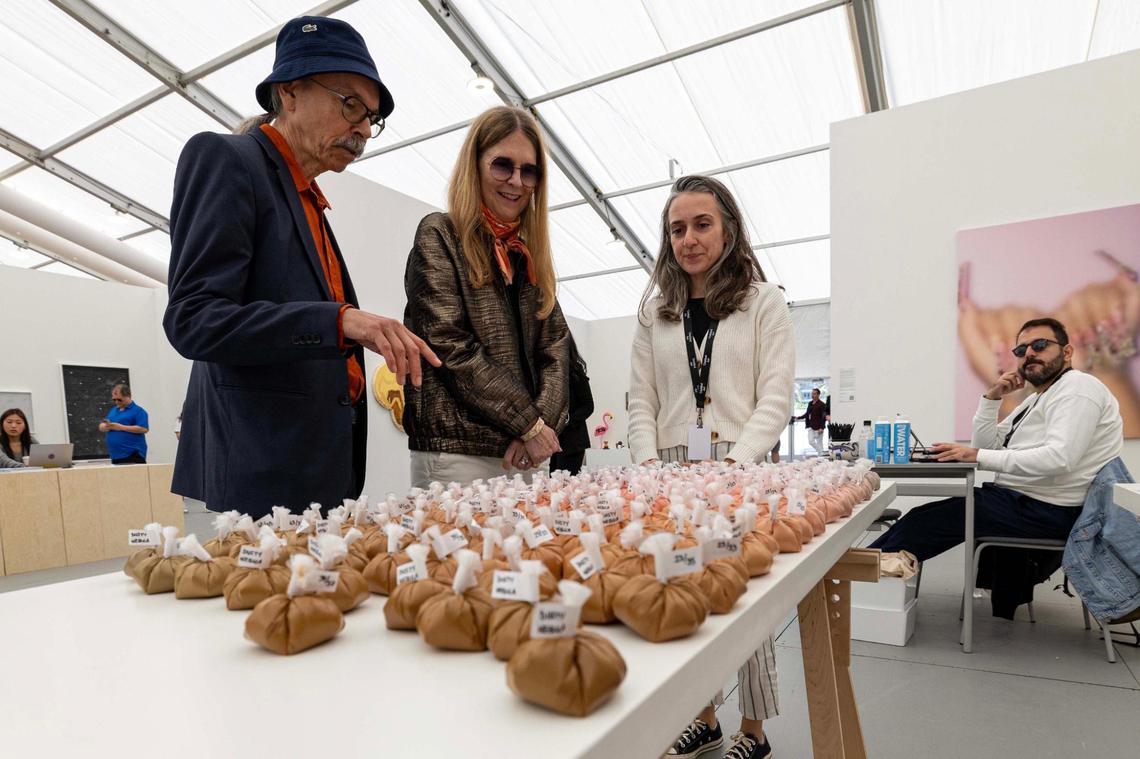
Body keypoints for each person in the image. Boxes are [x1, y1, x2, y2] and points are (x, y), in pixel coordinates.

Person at [164, 16, 438, 519]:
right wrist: (340, 321)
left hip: (315, 473)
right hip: (254, 477)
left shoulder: (309, 199)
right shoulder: (226, 159)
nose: (362, 128)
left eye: (371, 117)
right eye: (350, 103)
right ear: (288, 93)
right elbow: (194, 319)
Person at [628, 175, 794, 759]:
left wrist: (738, 464)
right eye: (677, 228)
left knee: (741, 591)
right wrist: (647, 465)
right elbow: (641, 399)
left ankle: (754, 732)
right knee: (679, 585)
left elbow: (775, 396)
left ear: (728, 228)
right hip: (670, 467)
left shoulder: (763, 301)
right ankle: (702, 716)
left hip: (738, 464)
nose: (689, 239)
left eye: (702, 224)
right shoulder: (657, 311)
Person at [872, 318, 1124, 610]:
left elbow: (1059, 458)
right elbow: (990, 444)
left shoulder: (1078, 389)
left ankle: (856, 578)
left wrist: (975, 455)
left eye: (1039, 345)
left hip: (1048, 511)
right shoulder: (1038, 398)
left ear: (1067, 352)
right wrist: (991, 399)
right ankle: (862, 570)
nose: (1029, 353)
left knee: (923, 522)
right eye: (1021, 349)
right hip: (1024, 502)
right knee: (922, 517)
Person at [403, 106, 569, 488]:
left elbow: (557, 350)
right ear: (474, 166)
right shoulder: (439, 234)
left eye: (529, 171)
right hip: (459, 456)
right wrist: (529, 423)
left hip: (526, 452)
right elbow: (449, 344)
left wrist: (537, 427)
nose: (516, 181)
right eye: (502, 166)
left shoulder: (527, 254)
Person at [548, 333, 594, 476]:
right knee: (553, 485)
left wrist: (567, 419)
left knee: (565, 486)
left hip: (573, 443)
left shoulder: (575, 371)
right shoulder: (550, 372)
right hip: (556, 442)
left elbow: (588, 406)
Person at [99, 384, 148, 465]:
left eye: (119, 399)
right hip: (115, 455)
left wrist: (121, 427)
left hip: (132, 454)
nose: (116, 402)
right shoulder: (113, 410)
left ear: (128, 396)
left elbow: (143, 429)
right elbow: (104, 424)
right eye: (114, 400)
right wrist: (104, 426)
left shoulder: (138, 411)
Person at [798, 387, 829, 453]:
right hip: (811, 426)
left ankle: (821, 458)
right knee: (811, 441)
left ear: (818, 395)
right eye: (812, 394)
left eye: (814, 394)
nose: (812, 395)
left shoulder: (822, 404)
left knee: (820, 443)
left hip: (819, 427)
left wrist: (822, 427)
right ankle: (822, 452)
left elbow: (823, 417)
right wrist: (798, 417)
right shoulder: (810, 403)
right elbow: (807, 414)